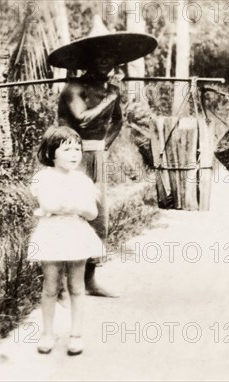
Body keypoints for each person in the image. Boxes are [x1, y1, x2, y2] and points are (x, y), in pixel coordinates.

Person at [48, 30, 158, 298]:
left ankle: (89, 280)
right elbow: (83, 119)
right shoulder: (74, 88)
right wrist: (111, 98)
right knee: (70, 215)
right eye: (99, 57)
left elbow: (118, 121)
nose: (105, 61)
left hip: (96, 155)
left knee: (97, 217)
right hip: (70, 157)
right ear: (89, 60)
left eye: (110, 57)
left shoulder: (110, 90)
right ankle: (62, 286)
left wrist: (104, 146)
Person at [28, 126, 105, 356]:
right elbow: (49, 205)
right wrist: (74, 206)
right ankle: (48, 333)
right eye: (67, 149)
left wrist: (70, 206)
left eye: (77, 149)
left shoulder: (82, 180)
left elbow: (91, 212)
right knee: (50, 286)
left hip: (76, 235)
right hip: (52, 234)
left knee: (76, 286)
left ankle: (76, 334)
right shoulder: (43, 177)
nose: (74, 154)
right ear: (52, 153)